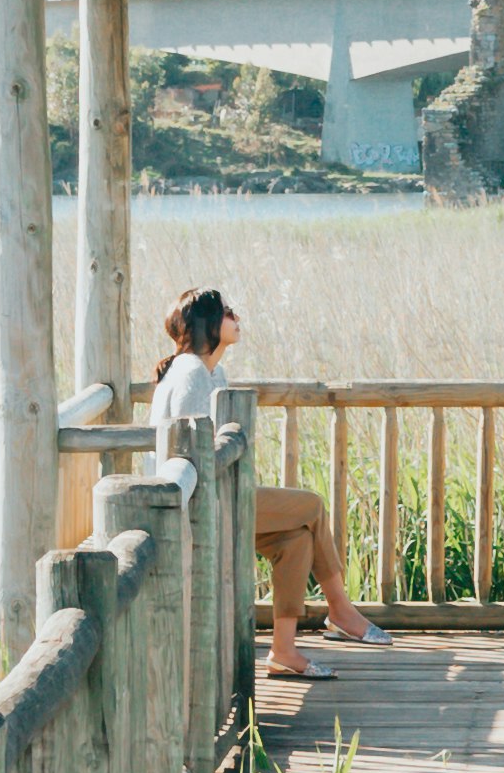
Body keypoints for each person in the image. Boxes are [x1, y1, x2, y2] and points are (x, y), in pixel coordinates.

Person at [149, 287, 372, 677]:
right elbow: (190, 453)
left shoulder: (212, 371)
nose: (237, 318)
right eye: (228, 312)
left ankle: (284, 653)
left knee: (296, 539)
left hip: (222, 496)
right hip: (199, 504)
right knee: (313, 505)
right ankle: (341, 610)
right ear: (210, 324)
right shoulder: (190, 374)